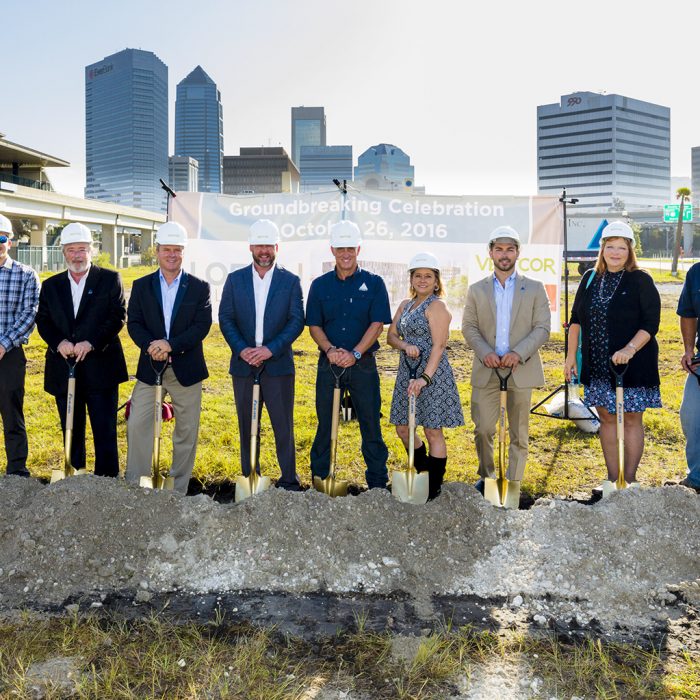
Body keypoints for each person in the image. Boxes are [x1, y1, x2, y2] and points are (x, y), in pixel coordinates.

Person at [564, 221, 661, 488]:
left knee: (630, 418)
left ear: (630, 250)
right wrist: (571, 356)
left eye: (622, 247)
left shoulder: (640, 279)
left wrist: (629, 349)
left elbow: (651, 323)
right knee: (606, 417)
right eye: (610, 247)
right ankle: (612, 480)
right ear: (602, 249)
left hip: (632, 364)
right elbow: (575, 321)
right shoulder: (590, 278)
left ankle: (629, 480)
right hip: (598, 365)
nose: (616, 253)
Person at [125, 221, 212, 493]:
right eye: (167, 249)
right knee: (138, 423)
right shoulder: (141, 286)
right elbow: (134, 322)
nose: (172, 254)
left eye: (177, 250)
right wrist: (151, 345)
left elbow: (201, 326)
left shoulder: (199, 287)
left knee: (186, 431)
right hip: (151, 367)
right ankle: (137, 486)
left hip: (186, 369)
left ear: (183, 252)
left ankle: (177, 489)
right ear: (157, 251)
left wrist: (170, 345)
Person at [462, 225, 551, 492]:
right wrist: (485, 352)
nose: (504, 254)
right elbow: (469, 327)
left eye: (509, 249)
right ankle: (488, 478)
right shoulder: (477, 290)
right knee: (484, 429)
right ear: (490, 253)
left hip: (520, 370)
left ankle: (512, 482)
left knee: (518, 433)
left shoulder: (534, 288)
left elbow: (542, 328)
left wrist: (517, 353)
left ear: (517, 253)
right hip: (487, 370)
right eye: (499, 249)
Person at [36, 223, 128, 477]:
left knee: (104, 429)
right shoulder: (51, 285)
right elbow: (43, 320)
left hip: (101, 368)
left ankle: (106, 482)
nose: (77, 255)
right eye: (72, 250)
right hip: (64, 368)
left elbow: (117, 316)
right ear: (64, 252)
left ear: (91, 250)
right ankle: (74, 477)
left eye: (82, 249)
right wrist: (59, 343)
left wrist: (92, 343)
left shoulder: (110, 279)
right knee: (71, 429)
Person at [219, 219, 305, 490]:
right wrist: (243, 349)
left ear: (277, 246)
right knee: (247, 425)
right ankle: (250, 477)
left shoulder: (290, 281)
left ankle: (289, 480)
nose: (264, 250)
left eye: (269, 245)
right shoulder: (235, 280)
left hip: (278, 365)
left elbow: (296, 321)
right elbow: (226, 317)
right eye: (259, 245)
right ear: (251, 247)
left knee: (283, 426)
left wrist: (270, 349)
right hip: (244, 366)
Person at [306, 220, 392, 489]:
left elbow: (377, 325)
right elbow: (314, 325)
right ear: (332, 249)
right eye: (340, 248)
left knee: (369, 421)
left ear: (358, 249)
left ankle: (377, 482)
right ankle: (321, 478)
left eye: (350, 249)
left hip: (363, 365)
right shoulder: (319, 286)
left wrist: (354, 353)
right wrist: (330, 350)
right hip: (328, 364)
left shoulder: (374, 283)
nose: (345, 254)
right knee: (325, 423)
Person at [387, 252, 464, 499]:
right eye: (417, 275)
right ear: (411, 279)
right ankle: (422, 474)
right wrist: (404, 346)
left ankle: (433, 485)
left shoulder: (437, 306)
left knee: (432, 430)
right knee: (402, 427)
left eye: (428, 276)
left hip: (432, 374)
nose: (422, 280)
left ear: (436, 280)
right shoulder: (405, 305)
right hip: (407, 372)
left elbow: (439, 346)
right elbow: (391, 337)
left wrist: (425, 379)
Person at [0, 213, 40, 477]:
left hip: (10, 354)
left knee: (11, 413)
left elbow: (30, 314)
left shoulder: (26, 275)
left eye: (1, 238)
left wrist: (3, 345)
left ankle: (16, 471)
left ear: (10, 242)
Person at [675, 258, 700, 492]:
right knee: (691, 415)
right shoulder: (696, 272)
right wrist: (689, 349)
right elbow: (688, 313)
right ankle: (697, 478)